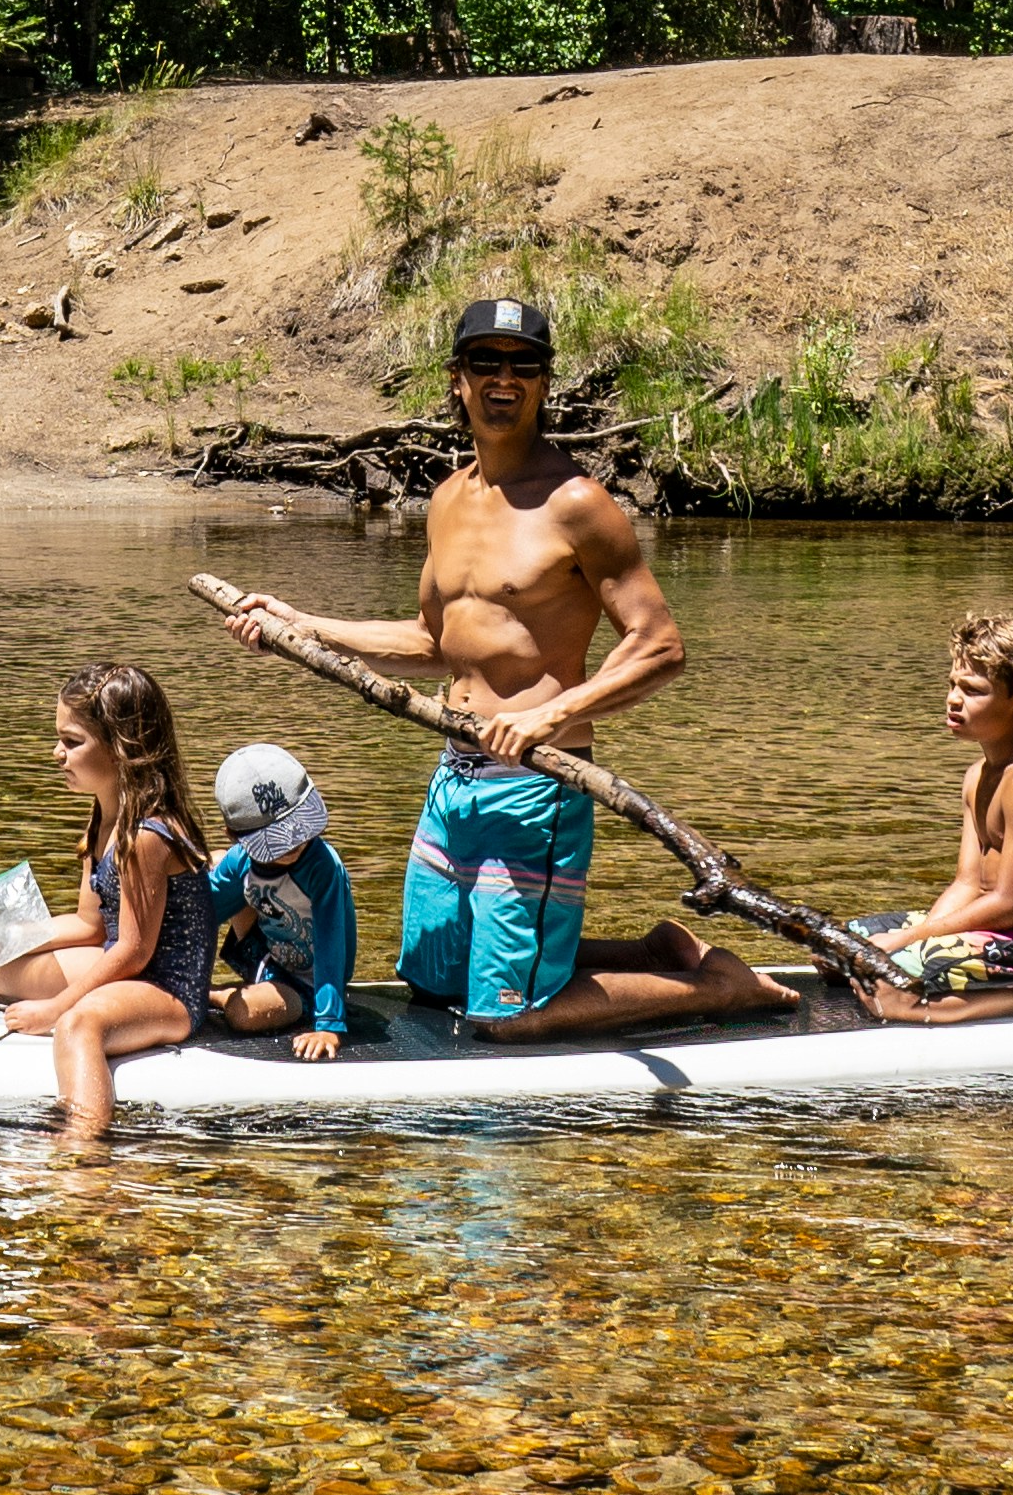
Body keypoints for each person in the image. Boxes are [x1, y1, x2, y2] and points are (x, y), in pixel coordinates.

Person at [225, 299, 789, 1046]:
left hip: (536, 786)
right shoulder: (447, 500)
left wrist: (549, 715)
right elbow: (434, 642)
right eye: (485, 361)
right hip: (453, 778)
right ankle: (652, 953)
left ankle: (715, 986)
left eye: (524, 364)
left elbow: (659, 646)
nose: (504, 378)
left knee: (503, 1015)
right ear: (457, 378)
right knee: (433, 981)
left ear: (544, 383)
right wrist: (301, 625)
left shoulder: (578, 504)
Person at [0, 659, 220, 1137]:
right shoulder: (104, 817)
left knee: (77, 1026)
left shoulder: (146, 835)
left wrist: (57, 1008)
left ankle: (85, 1149)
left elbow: (135, 950)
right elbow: (90, 925)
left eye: (72, 741)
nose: (57, 753)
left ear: (123, 748)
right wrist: (0, 933)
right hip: (123, 964)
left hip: (168, 990)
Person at [857, 611, 1013, 1013]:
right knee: (839, 946)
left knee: (896, 989)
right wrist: (919, 941)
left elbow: (1009, 904)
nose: (953, 699)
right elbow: (967, 882)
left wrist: (909, 945)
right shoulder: (977, 775)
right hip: (985, 925)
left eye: (972, 690)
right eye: (952, 684)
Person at [208, 741, 358, 1063]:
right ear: (234, 834)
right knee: (216, 864)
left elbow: (332, 942)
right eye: (275, 839)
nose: (292, 843)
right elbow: (203, 913)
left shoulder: (322, 867)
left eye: (298, 829)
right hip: (264, 956)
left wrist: (328, 1024)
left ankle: (214, 995)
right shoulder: (241, 859)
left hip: (305, 985)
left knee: (242, 1014)